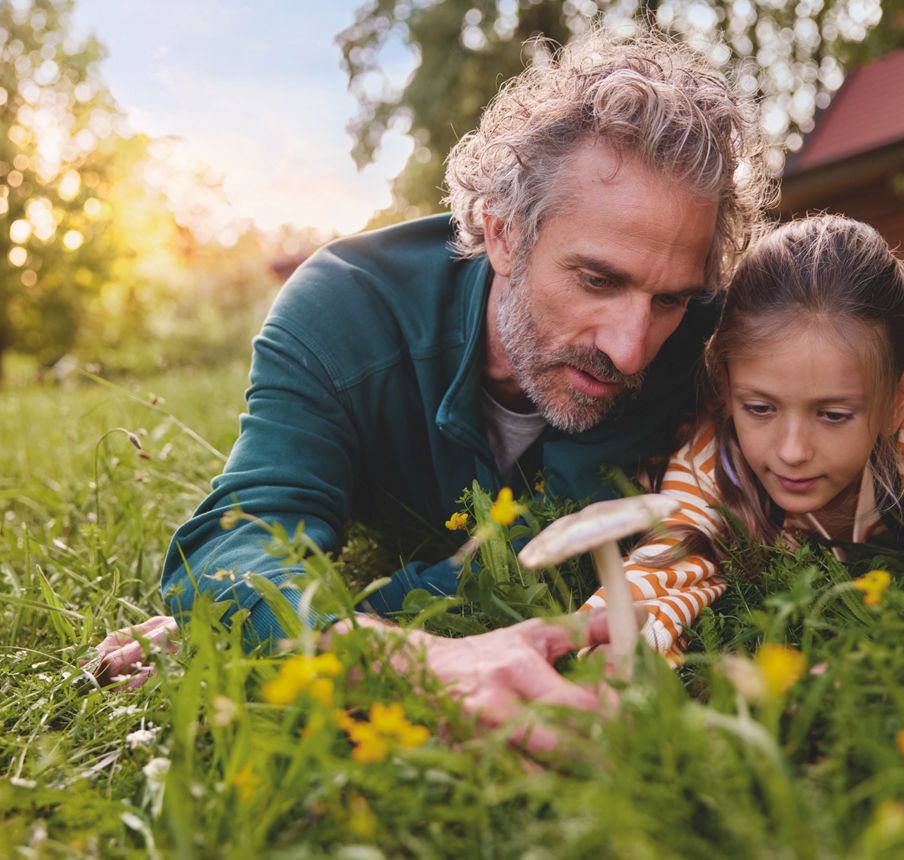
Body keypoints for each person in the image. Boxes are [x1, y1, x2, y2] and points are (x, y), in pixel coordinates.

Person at [95, 28, 774, 742]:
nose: (632, 351)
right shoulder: (339, 314)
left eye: (669, 299)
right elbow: (237, 543)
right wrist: (404, 661)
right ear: (504, 232)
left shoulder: (706, 341)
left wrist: (272, 634)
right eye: (596, 280)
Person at [577, 214, 904, 659]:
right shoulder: (711, 456)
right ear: (727, 387)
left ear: (896, 401)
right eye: (760, 408)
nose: (792, 451)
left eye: (834, 415)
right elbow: (661, 569)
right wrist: (620, 647)